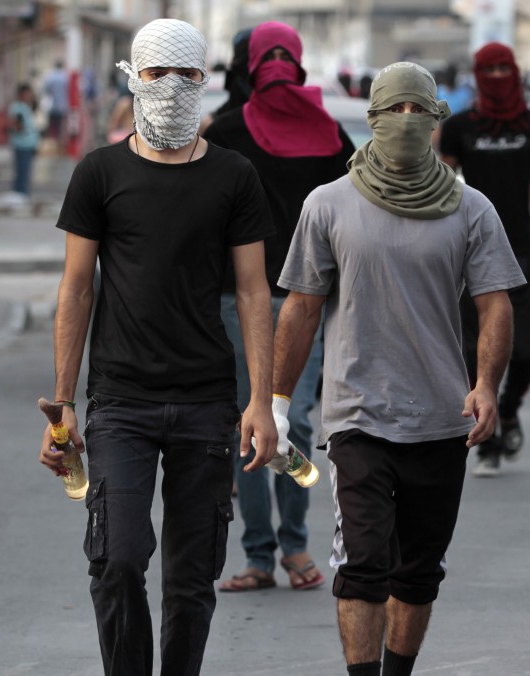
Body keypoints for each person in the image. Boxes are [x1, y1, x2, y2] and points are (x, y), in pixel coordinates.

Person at [38, 19, 278, 675]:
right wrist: (61, 409)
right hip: (120, 401)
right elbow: (77, 290)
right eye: (157, 73)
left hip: (206, 401)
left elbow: (255, 292)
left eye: (187, 74)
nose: (171, 86)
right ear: (134, 79)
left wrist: (263, 401)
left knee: (192, 580)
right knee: (115, 561)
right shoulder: (99, 173)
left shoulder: (234, 175)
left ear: (205, 80)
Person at [272, 61, 522, 676]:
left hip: (443, 417)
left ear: (437, 120)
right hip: (357, 414)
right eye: (394, 111)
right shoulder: (327, 204)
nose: (406, 122)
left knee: (418, 570)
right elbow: (301, 309)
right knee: (363, 564)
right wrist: (275, 405)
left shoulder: (471, 209)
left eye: (419, 111)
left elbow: (495, 307)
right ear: (373, 119)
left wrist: (487, 386)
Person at [206, 20, 355, 593]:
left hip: (277, 299)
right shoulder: (235, 131)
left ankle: (280, 549)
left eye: (276, 54)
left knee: (273, 419)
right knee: (265, 421)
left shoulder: (315, 132)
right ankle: (271, 551)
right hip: (267, 299)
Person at [439, 42, 530, 477]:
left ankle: (507, 411)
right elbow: (436, 182)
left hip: (523, 249)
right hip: (468, 250)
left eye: (502, 68)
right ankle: (487, 440)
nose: (495, 76)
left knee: (528, 350)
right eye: (486, 69)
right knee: (476, 351)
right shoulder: (459, 127)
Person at [7, 83, 40, 201]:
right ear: (22, 94)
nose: (29, 96)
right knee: (22, 171)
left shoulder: (27, 107)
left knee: (26, 172)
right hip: (22, 145)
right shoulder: (18, 108)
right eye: (27, 93)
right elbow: (18, 126)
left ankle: (23, 194)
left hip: (29, 144)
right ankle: (19, 194)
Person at [44, 60, 71, 141]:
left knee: (52, 126)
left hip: (52, 105)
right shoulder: (65, 77)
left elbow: (46, 90)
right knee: (61, 127)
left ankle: (53, 141)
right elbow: (69, 91)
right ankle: (59, 142)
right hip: (63, 106)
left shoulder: (50, 77)